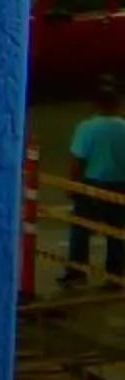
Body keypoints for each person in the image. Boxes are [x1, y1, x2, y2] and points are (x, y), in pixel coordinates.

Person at [67, 78, 125, 287]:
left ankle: (77, 271)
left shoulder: (87, 127)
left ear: (97, 104)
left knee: (81, 229)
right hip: (119, 186)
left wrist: (73, 185)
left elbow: (77, 160)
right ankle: (115, 276)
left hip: (91, 184)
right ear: (118, 104)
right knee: (116, 232)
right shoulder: (123, 128)